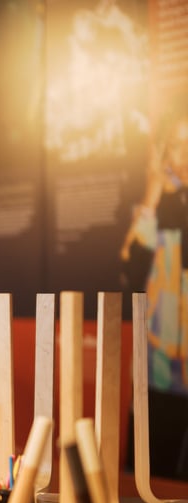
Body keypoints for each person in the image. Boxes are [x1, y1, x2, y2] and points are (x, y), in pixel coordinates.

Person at [121, 109, 188, 479]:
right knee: (149, 487)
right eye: (176, 146)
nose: (183, 156)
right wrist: (152, 198)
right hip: (158, 374)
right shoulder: (151, 210)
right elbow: (130, 272)